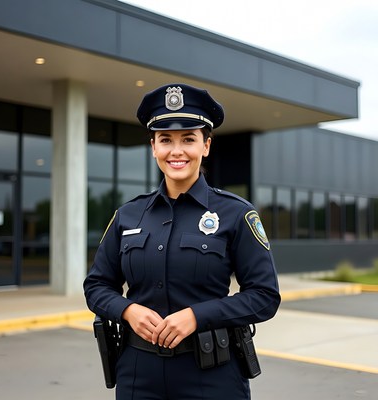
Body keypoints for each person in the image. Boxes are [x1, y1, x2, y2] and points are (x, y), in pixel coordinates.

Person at [84, 83, 281, 399]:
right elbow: (96, 286)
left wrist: (196, 316)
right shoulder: (128, 215)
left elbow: (264, 296)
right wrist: (127, 310)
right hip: (138, 375)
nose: (176, 151)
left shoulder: (236, 213)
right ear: (153, 147)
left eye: (188, 139)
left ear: (206, 146)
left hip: (211, 376)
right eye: (165, 140)